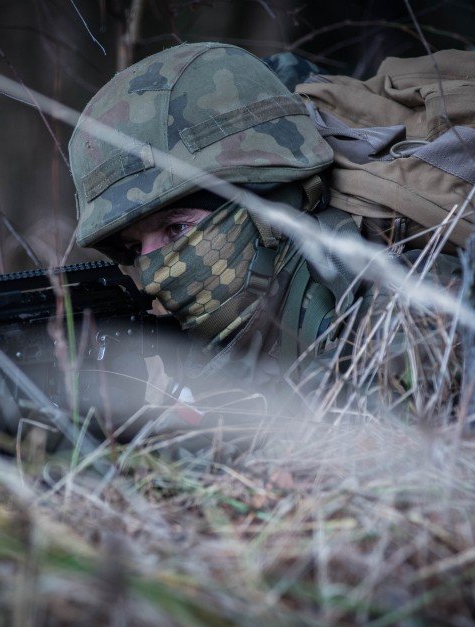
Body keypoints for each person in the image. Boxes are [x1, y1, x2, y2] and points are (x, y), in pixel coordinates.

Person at [67, 42, 373, 426]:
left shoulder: (384, 297)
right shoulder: (231, 328)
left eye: (176, 228)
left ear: (270, 204)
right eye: (133, 248)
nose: (152, 275)